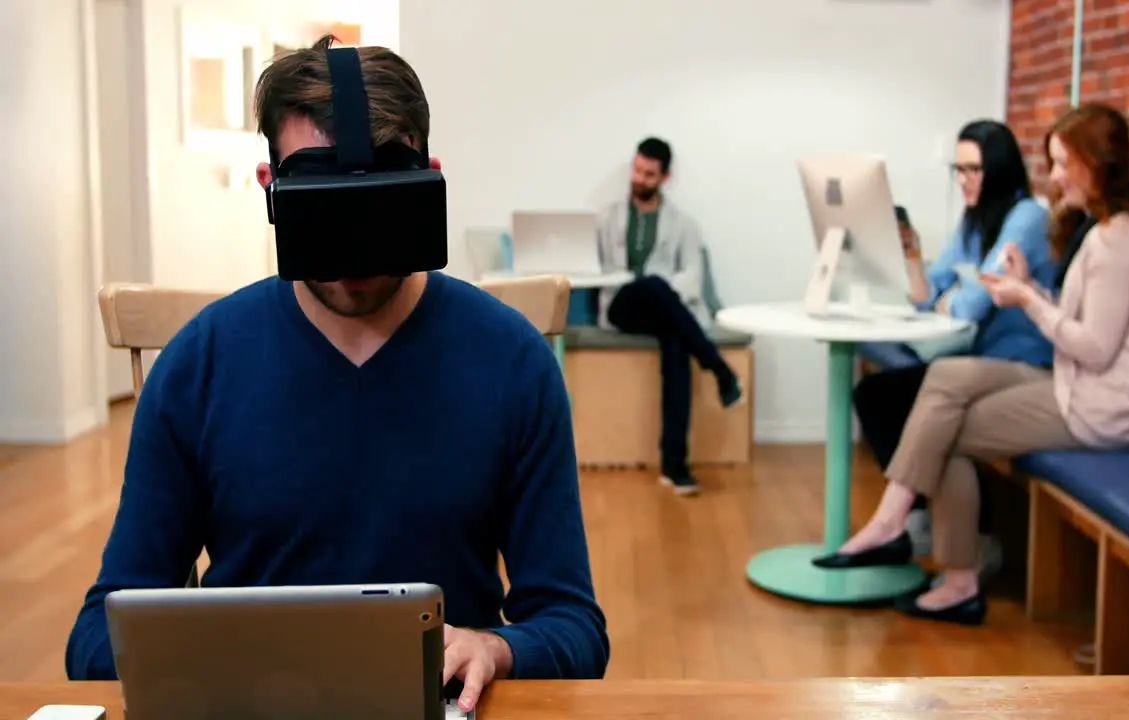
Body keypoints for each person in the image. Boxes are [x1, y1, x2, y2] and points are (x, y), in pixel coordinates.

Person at [65, 37, 610, 712]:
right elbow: (94, 639)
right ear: (272, 191)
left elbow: (575, 629)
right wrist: (213, 663)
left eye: (379, 211)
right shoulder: (198, 367)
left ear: (429, 179)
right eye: (325, 214)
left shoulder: (514, 362)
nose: (355, 258)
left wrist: (496, 648)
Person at [814, 103, 1129, 626]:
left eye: (1061, 164)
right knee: (944, 378)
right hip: (1081, 385)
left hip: (1103, 407)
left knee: (948, 431)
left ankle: (951, 572)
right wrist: (1032, 287)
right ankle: (899, 524)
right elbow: (1085, 321)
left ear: (1095, 164)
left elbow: (1094, 347)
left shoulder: (1116, 241)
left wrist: (1027, 300)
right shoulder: (1108, 231)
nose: (1052, 178)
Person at [849, 120, 1055, 566]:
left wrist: (953, 301)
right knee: (875, 394)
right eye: (958, 170)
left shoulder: (1028, 219)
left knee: (898, 399)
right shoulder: (974, 222)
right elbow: (929, 297)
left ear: (999, 169)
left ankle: (921, 526)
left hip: (1025, 366)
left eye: (973, 169)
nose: (963, 180)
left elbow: (974, 304)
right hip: (981, 364)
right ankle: (917, 520)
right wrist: (912, 257)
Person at [596, 137, 741, 497]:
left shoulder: (684, 224)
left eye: (649, 174)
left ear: (665, 178)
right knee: (651, 286)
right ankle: (718, 368)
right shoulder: (607, 217)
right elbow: (594, 267)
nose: (640, 178)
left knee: (673, 337)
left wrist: (658, 285)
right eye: (638, 170)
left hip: (664, 307)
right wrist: (648, 283)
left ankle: (675, 465)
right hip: (621, 306)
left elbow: (691, 276)